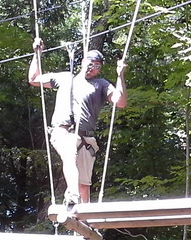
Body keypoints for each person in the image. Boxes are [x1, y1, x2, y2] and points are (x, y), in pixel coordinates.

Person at [28, 38, 127, 206]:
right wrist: (37, 54)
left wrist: (120, 76)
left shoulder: (101, 85)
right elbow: (34, 79)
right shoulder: (66, 78)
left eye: (97, 66)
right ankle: (72, 196)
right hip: (64, 131)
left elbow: (121, 102)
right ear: (82, 62)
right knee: (69, 155)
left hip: (86, 139)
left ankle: (84, 216)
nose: (92, 68)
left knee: (84, 185)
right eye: (90, 63)